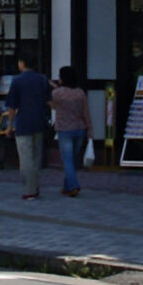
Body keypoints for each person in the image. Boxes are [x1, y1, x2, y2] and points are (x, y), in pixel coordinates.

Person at [6, 54, 52, 200]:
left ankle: (30, 189)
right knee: (36, 156)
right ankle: (35, 186)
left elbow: (12, 106)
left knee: (26, 158)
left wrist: (9, 125)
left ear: (21, 63)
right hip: (39, 120)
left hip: (23, 122)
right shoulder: (42, 79)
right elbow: (49, 101)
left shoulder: (17, 81)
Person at [50, 65, 91, 197]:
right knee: (71, 159)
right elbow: (86, 113)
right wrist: (90, 129)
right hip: (79, 129)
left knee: (67, 160)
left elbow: (53, 105)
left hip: (64, 129)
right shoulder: (80, 93)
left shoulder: (57, 94)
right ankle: (66, 187)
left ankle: (73, 186)